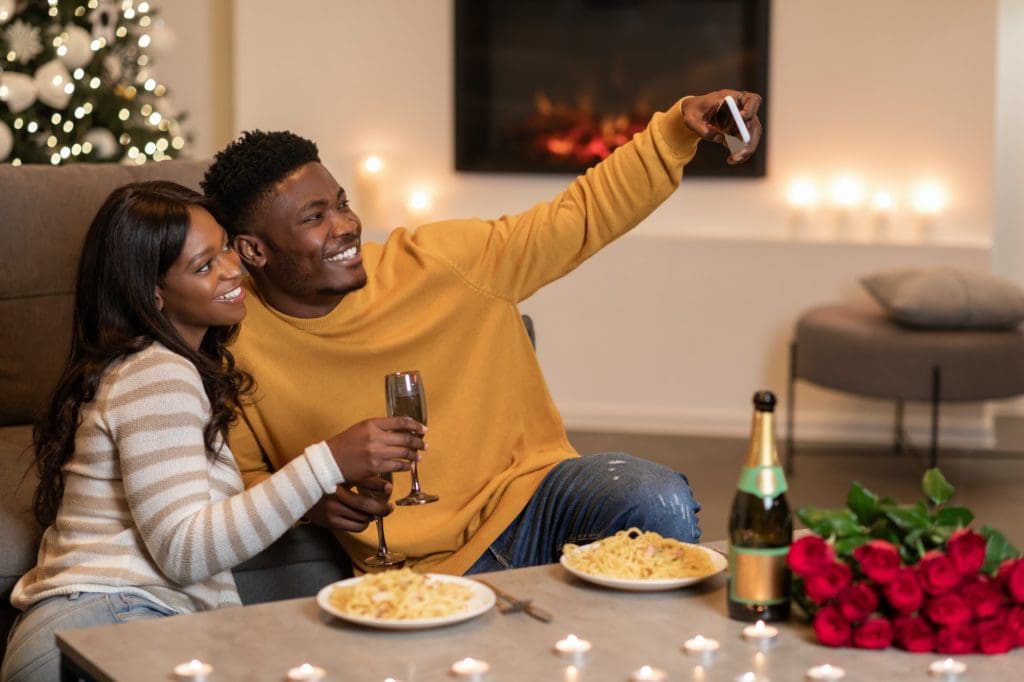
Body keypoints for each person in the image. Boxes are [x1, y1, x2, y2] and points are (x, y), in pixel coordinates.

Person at [200, 89, 763, 575]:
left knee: (655, 497)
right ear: (253, 249)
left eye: (342, 204)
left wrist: (674, 129)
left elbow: (581, 215)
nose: (345, 225)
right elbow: (240, 476)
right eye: (314, 217)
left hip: (537, 504)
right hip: (414, 570)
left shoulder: (441, 261)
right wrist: (311, 502)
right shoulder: (234, 341)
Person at [0, 182, 423, 682]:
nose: (232, 269)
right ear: (153, 294)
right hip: (109, 625)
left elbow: (190, 523)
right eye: (203, 266)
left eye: (224, 245)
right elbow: (184, 551)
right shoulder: (158, 374)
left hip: (103, 628)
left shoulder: (153, 368)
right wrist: (327, 460)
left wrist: (312, 500)